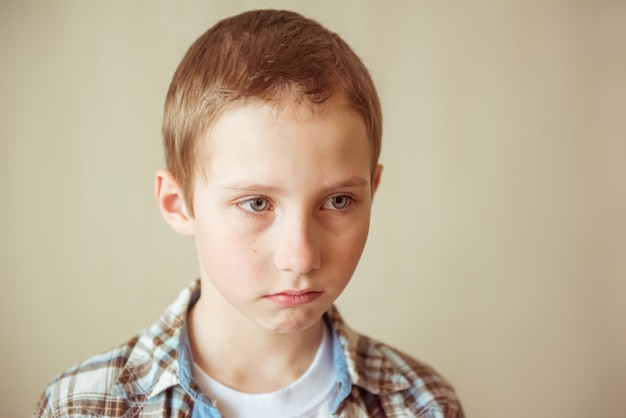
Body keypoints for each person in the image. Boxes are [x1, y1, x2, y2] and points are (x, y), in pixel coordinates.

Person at [35, 9, 464, 418]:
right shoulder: (81, 407)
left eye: (337, 201)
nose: (300, 257)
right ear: (177, 203)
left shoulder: (422, 405)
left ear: (372, 191)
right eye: (256, 203)